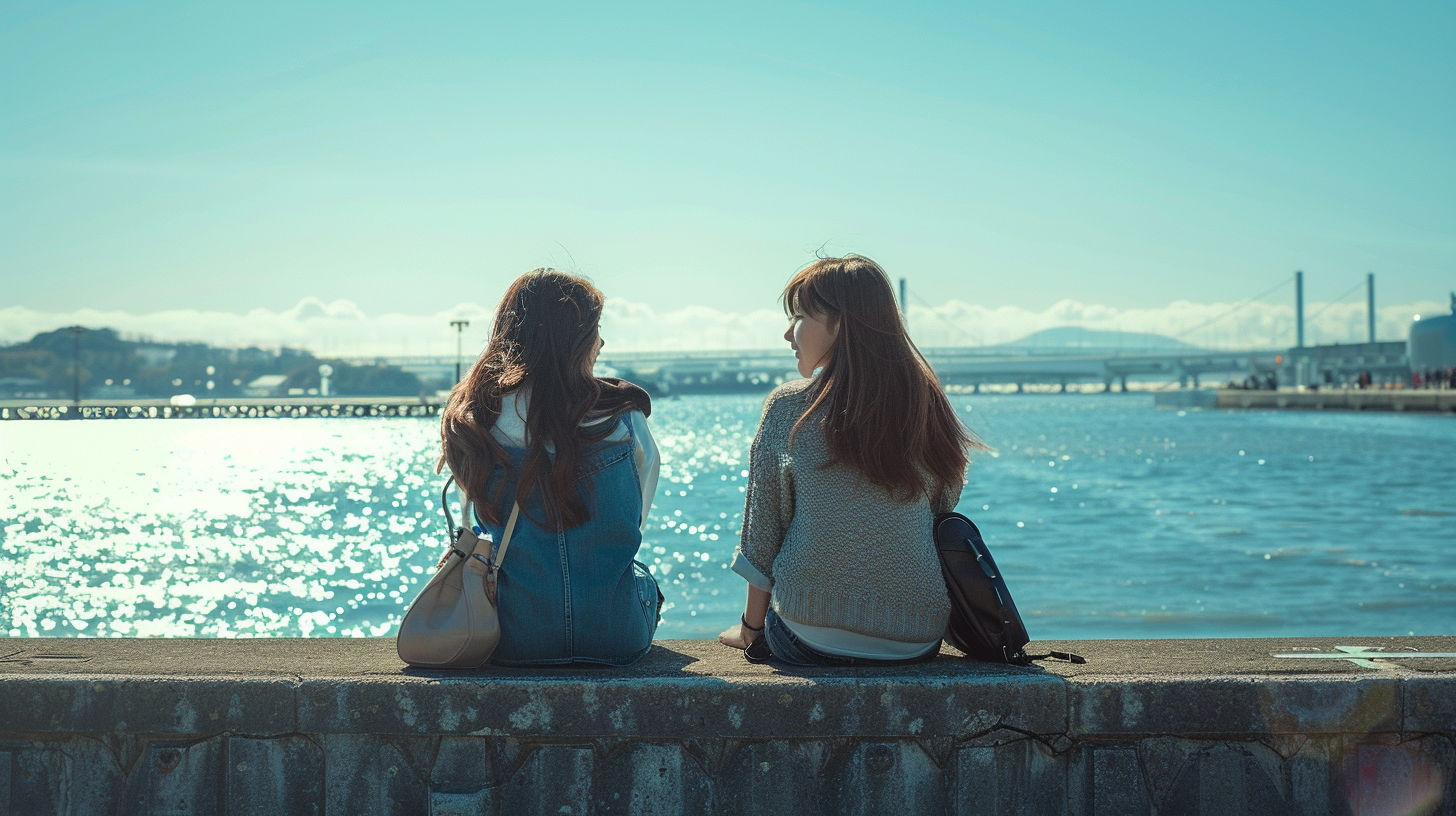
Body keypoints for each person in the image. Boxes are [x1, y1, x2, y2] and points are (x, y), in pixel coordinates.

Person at [717, 255, 980, 665]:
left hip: (807, 634)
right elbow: (944, 505)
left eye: (800, 316)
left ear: (842, 323)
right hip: (916, 639)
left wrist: (751, 630)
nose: (788, 333)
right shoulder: (926, 404)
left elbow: (762, 537)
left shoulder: (790, 406)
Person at [437, 269, 663, 666]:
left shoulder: (476, 421)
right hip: (615, 637)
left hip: (514, 640)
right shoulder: (626, 422)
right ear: (576, 340)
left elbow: (473, 527)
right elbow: (634, 518)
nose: (602, 340)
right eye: (595, 328)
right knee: (641, 576)